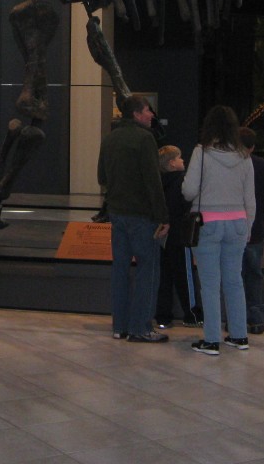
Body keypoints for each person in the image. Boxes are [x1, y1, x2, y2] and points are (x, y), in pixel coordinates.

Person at [182, 105, 255, 356]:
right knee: (234, 281)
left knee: (210, 284)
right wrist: (247, 229)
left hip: (209, 223)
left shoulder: (201, 153)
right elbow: (250, 199)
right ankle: (239, 335)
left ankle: (212, 340)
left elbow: (189, 190)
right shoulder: (245, 157)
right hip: (237, 223)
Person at [97, 94, 169, 343]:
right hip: (142, 216)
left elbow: (101, 176)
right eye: (148, 110)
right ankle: (141, 327)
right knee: (148, 270)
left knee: (120, 269)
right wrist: (163, 216)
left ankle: (120, 326)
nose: (151, 115)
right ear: (137, 114)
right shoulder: (144, 139)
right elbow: (152, 181)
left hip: (118, 214)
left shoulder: (110, 139)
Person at [155, 145, 203, 329]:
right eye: (180, 158)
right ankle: (192, 314)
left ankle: (163, 316)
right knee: (185, 275)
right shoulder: (182, 182)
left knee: (164, 277)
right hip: (179, 234)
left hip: (162, 236)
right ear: (172, 163)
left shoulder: (159, 183)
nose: (183, 161)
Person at [239, 127, 264, 335]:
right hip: (255, 229)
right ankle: (257, 319)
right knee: (254, 274)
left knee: (235, 275)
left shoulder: (230, 166)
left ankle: (237, 318)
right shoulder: (261, 165)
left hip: (233, 228)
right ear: (252, 147)